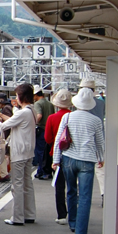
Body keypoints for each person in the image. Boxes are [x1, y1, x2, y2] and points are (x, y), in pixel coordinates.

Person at [52, 88, 104, 234]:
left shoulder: (67, 117)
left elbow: (59, 140)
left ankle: (72, 223)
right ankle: (81, 231)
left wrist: (56, 160)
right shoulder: (96, 121)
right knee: (85, 196)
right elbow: (99, 142)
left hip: (68, 159)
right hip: (87, 161)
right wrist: (101, 158)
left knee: (71, 191)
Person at [0, 83, 36, 225]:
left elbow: (3, 126)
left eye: (17, 95)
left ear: (22, 96)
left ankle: (17, 217)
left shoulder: (23, 113)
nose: (16, 98)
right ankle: (29, 214)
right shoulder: (31, 110)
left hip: (19, 153)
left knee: (16, 185)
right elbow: (13, 119)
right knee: (28, 184)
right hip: (29, 152)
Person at [43, 89, 73, 225]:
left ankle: (62, 215)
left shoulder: (52, 118)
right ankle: (73, 213)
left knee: (59, 186)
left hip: (58, 156)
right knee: (73, 186)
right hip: (73, 155)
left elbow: (48, 138)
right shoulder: (73, 116)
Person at [78, 78, 106, 201]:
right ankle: (104, 194)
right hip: (99, 137)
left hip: (83, 140)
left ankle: (80, 193)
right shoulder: (101, 103)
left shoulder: (79, 104)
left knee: (82, 169)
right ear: (93, 90)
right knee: (100, 169)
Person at [32, 85, 55, 180]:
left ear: (36, 95)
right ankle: (43, 171)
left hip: (41, 130)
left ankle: (43, 171)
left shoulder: (38, 104)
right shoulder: (49, 103)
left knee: (40, 152)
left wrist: (33, 123)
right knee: (47, 152)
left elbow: (39, 115)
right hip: (50, 130)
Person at [0, 93, 13, 181]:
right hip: (9, 137)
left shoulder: (6, 108)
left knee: (2, 155)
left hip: (7, 137)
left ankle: (4, 174)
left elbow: (7, 123)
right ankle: (5, 174)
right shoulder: (9, 107)